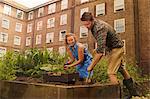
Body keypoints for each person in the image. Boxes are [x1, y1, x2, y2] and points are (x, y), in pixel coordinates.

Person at [80, 12, 138, 97]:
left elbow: (100, 52)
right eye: (85, 25)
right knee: (121, 69)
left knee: (111, 72)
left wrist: (91, 66)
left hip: (116, 48)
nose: (87, 26)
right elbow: (100, 47)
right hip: (111, 47)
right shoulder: (93, 26)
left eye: (88, 24)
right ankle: (134, 94)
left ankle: (117, 96)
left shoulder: (100, 28)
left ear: (92, 20)